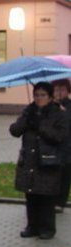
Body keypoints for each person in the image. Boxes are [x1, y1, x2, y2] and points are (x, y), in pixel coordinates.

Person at [9, 82, 68, 240]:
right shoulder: (29, 111)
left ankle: (47, 228)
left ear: (50, 97)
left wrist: (40, 126)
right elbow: (14, 130)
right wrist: (26, 120)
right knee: (31, 194)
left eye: (43, 95)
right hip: (30, 160)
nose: (39, 98)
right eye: (36, 95)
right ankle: (32, 226)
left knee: (46, 196)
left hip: (48, 160)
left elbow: (59, 137)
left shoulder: (58, 113)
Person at [51, 79, 71, 212]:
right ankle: (50, 201)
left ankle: (60, 202)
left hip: (68, 146)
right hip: (53, 146)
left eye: (62, 89)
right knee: (53, 175)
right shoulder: (50, 105)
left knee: (65, 175)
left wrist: (64, 113)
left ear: (68, 91)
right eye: (56, 89)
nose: (59, 92)